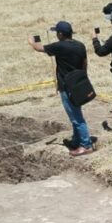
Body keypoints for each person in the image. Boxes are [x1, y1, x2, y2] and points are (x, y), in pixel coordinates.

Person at [29, 21, 93, 156]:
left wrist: (31, 41)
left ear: (60, 34)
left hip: (66, 86)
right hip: (78, 85)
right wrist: (83, 79)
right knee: (75, 114)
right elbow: (84, 63)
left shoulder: (60, 47)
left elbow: (39, 48)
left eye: (57, 33)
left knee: (76, 117)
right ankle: (76, 140)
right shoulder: (80, 45)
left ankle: (86, 145)